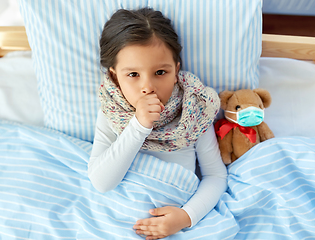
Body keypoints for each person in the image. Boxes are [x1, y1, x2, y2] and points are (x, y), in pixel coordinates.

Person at [88, 7, 227, 239]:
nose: (148, 86)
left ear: (176, 71)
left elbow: (215, 176)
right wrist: (139, 126)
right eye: (133, 75)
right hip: (120, 218)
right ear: (114, 77)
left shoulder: (193, 110)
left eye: (160, 72)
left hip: (177, 220)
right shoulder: (111, 112)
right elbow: (101, 182)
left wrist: (186, 217)